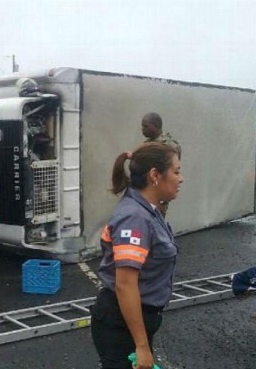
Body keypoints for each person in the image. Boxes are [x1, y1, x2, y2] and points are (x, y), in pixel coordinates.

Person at [91, 143, 183, 369]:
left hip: (133, 323)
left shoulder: (149, 210)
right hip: (121, 327)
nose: (181, 178)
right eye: (176, 171)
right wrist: (141, 346)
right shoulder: (135, 218)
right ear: (155, 175)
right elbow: (125, 285)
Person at [141, 112, 181, 217]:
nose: (142, 129)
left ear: (156, 126)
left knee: (157, 218)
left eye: (145, 126)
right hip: (148, 188)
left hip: (161, 188)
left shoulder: (169, 146)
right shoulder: (147, 144)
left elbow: (171, 169)